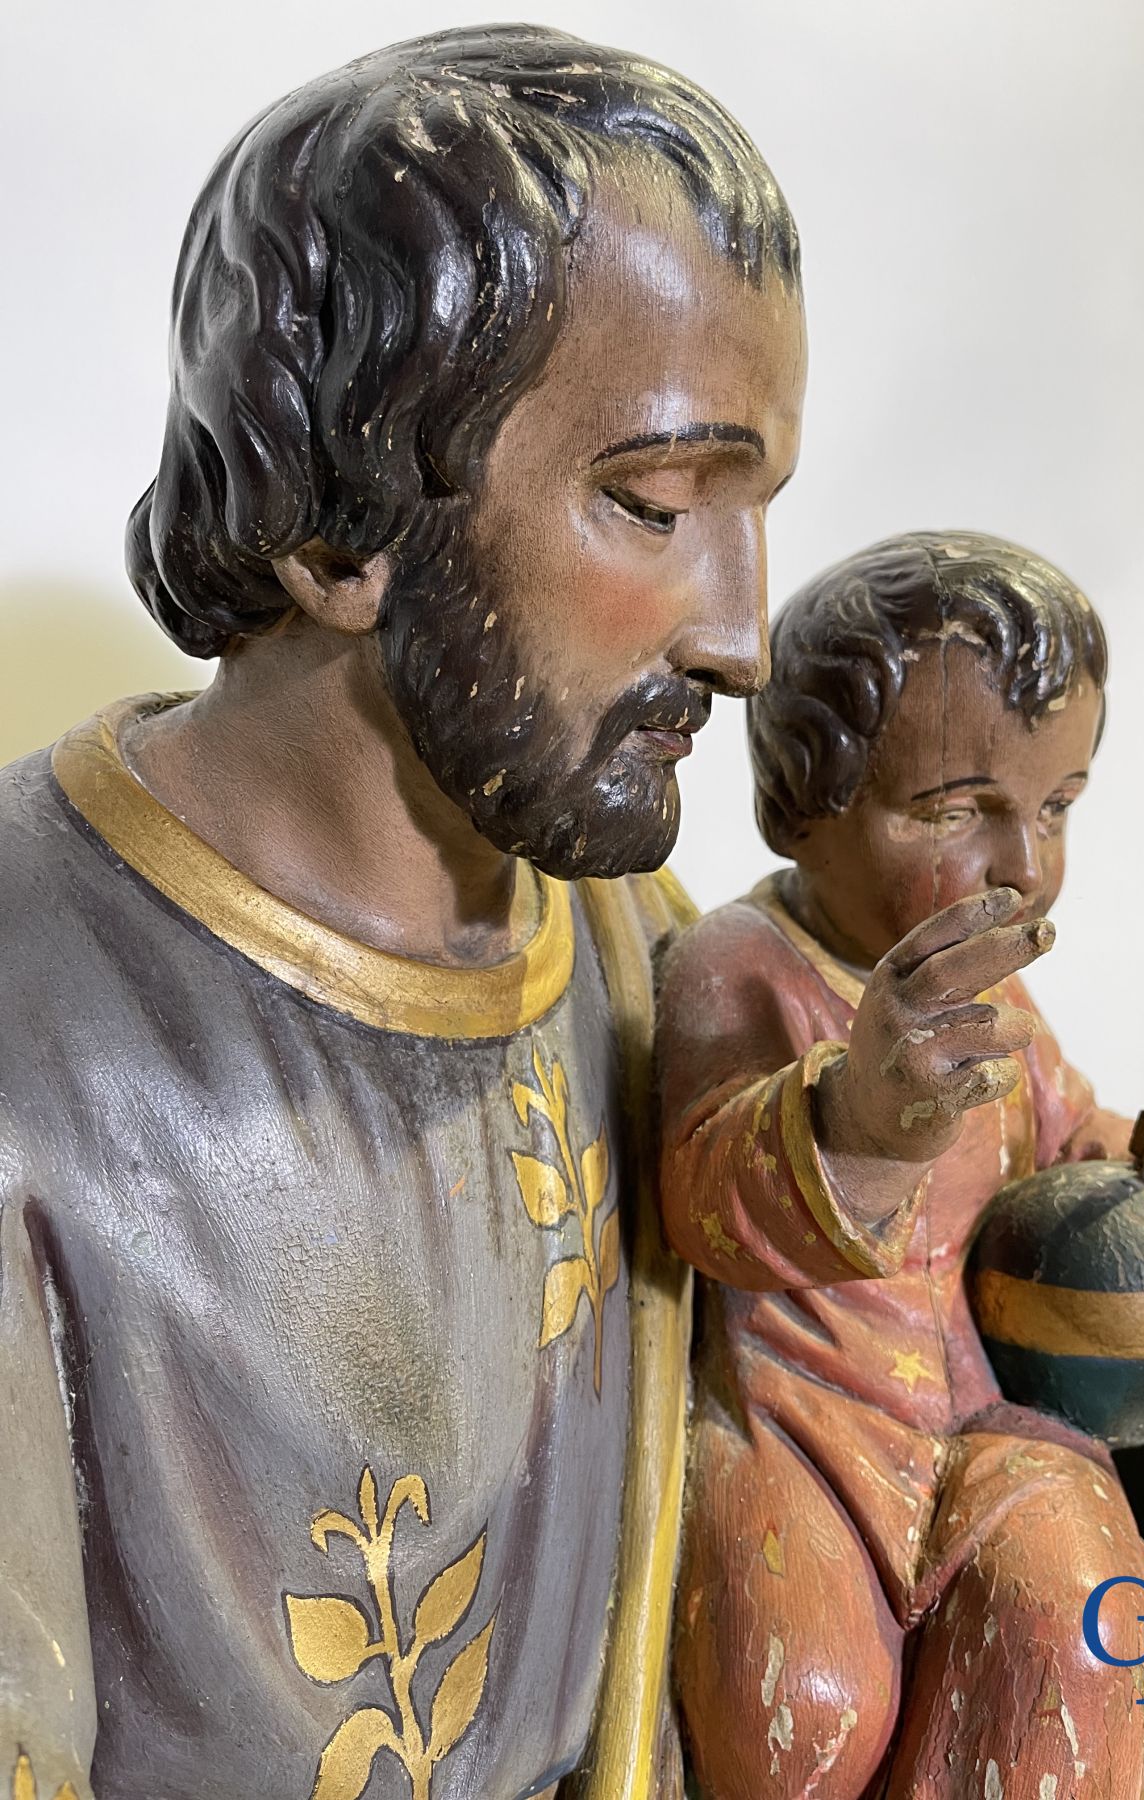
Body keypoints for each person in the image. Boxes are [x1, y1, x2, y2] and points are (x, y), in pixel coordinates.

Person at [0, 27, 805, 1800]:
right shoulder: (28, 1038)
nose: (745, 637)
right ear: (342, 527)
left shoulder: (623, 948)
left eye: (757, 512)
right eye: (657, 503)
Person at [657, 531, 1144, 1799]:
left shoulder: (1002, 1009)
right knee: (805, 1702)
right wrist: (854, 1122)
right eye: (961, 810)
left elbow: (1075, 1138)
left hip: (990, 1421)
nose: (1030, 864)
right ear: (803, 804)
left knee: (1093, 1622)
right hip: (804, 1420)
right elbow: (702, 1198)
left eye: (1057, 808)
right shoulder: (740, 967)